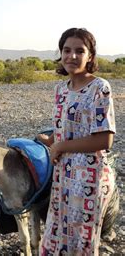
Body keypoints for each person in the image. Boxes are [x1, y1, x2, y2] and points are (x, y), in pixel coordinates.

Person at [36, 27, 116, 255]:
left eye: (79, 51)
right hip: (63, 175)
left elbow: (105, 139)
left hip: (89, 178)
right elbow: (66, 128)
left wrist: (60, 146)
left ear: (90, 56)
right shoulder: (61, 89)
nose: (72, 56)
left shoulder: (99, 87)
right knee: (55, 235)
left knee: (81, 242)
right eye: (67, 50)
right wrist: (51, 139)